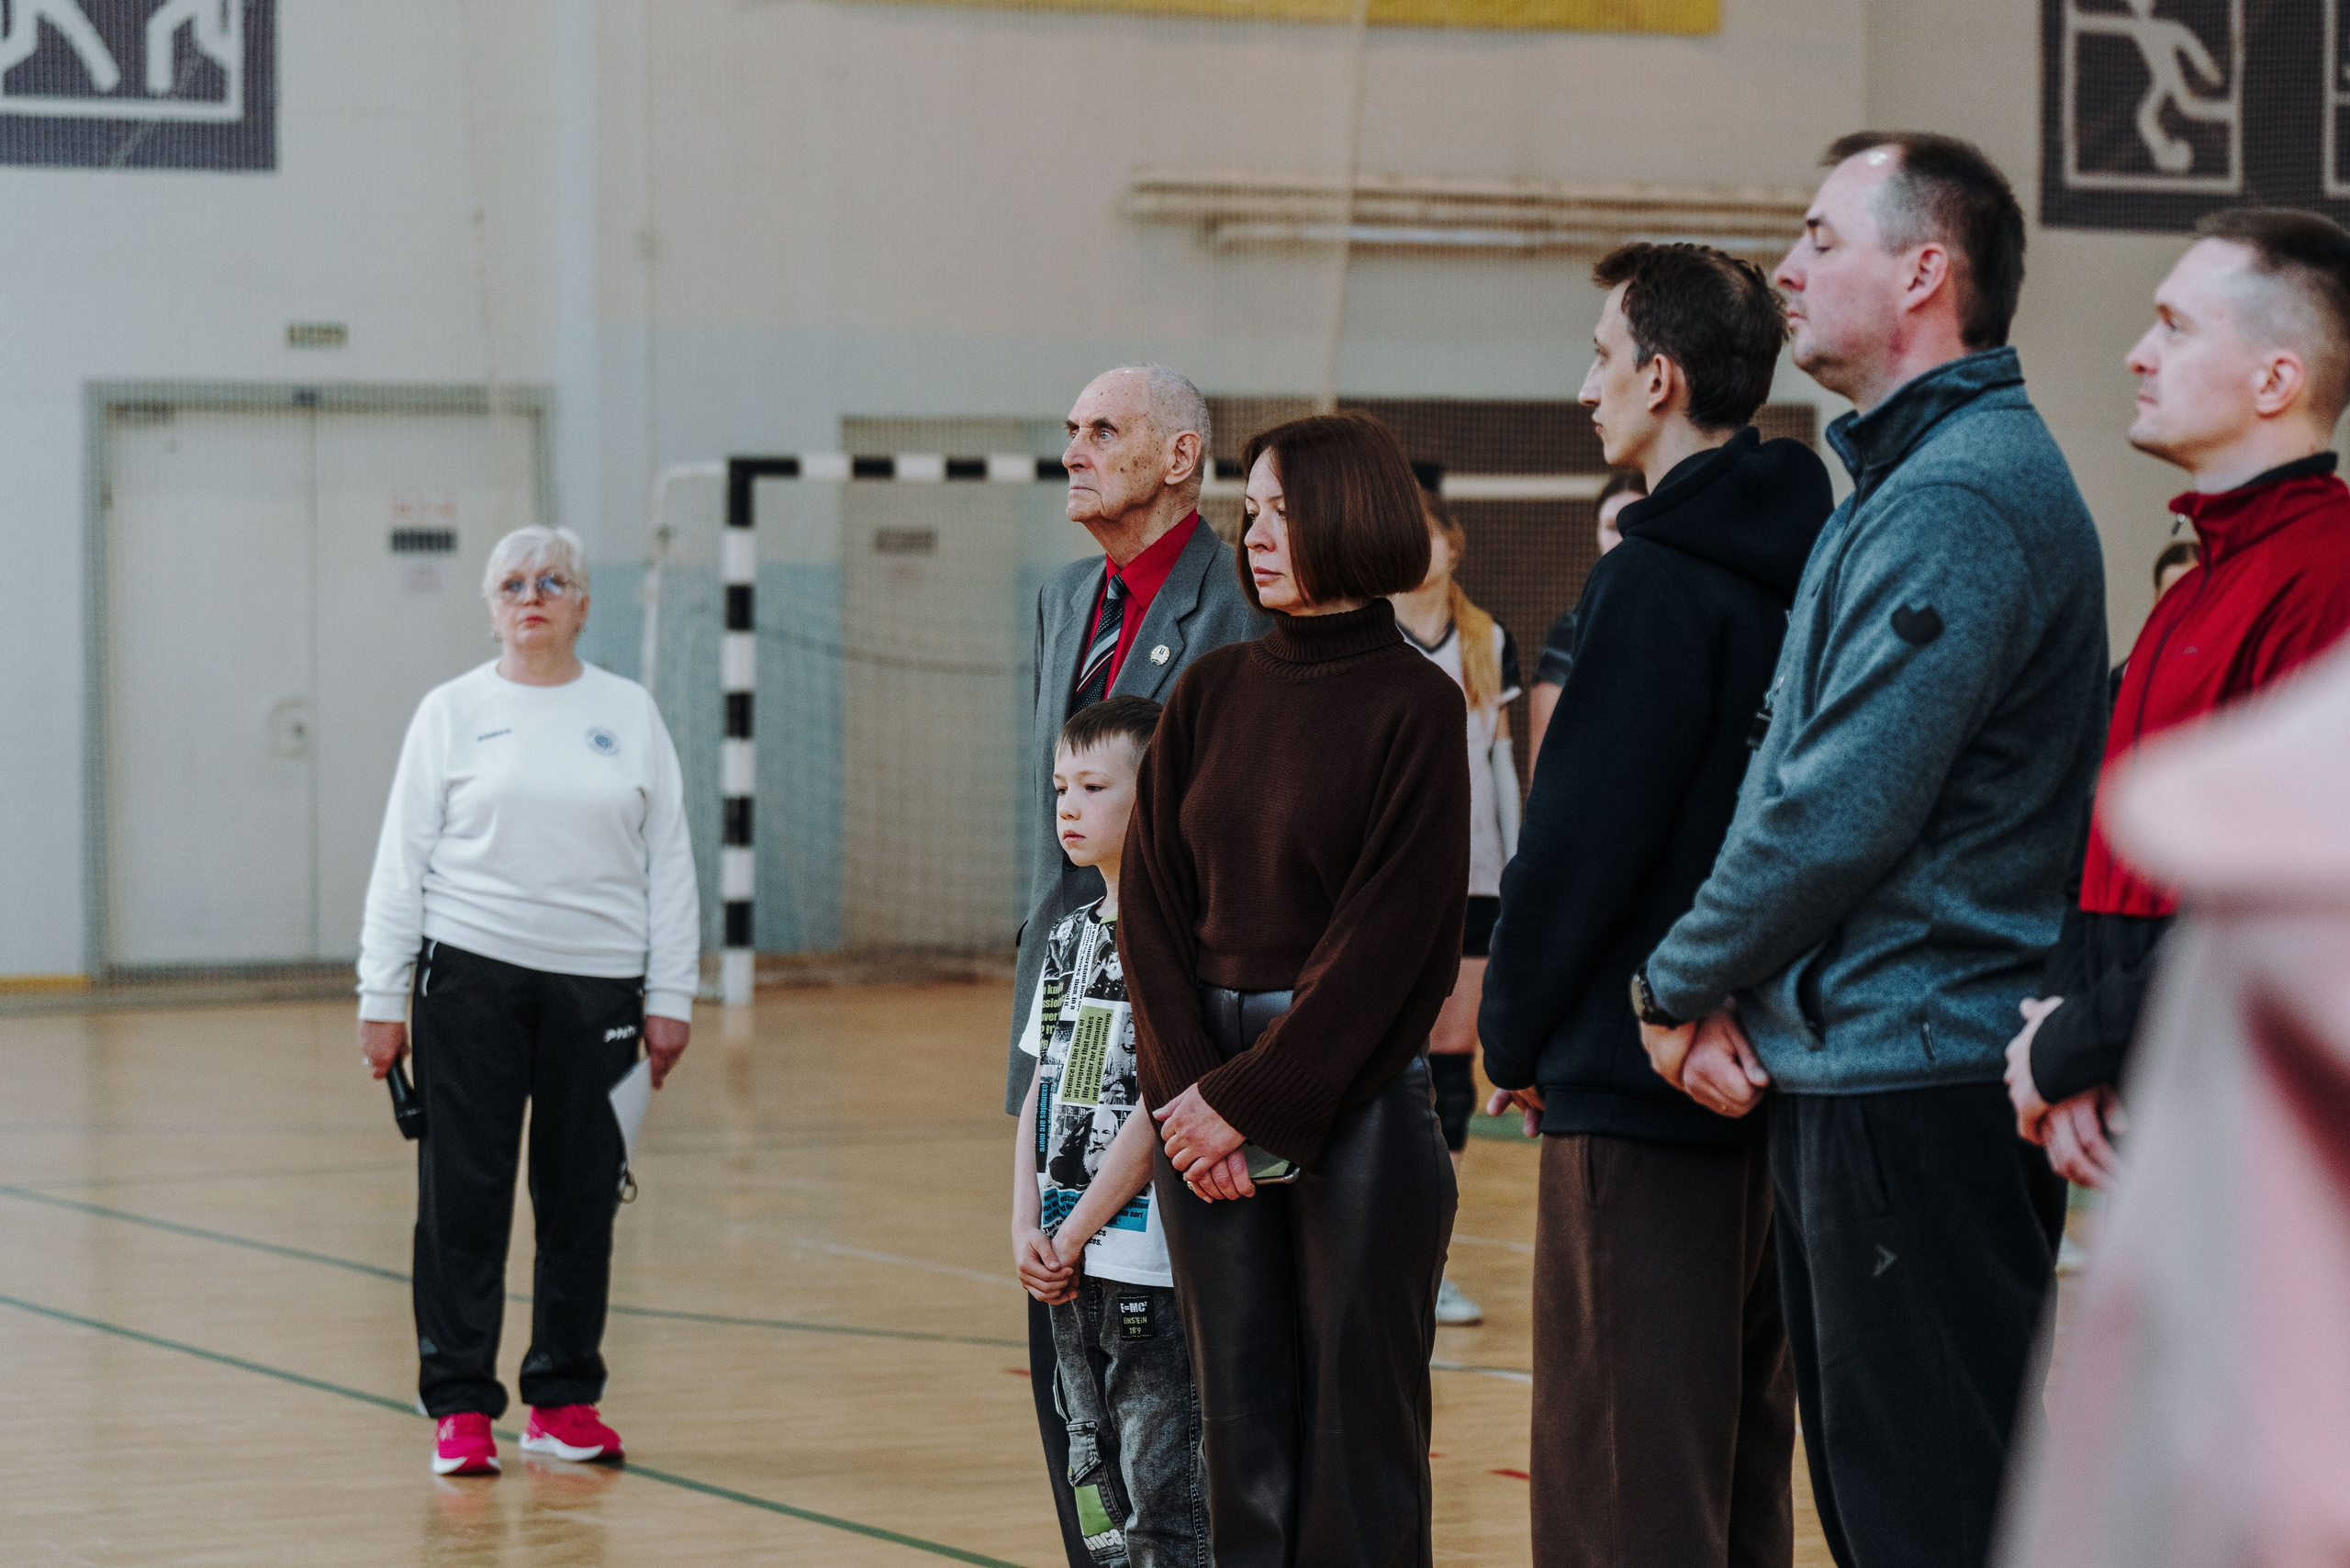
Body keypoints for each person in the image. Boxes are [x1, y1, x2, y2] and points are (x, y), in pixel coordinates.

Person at [1627, 133, 2108, 1568]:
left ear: (1922, 271)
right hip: (1871, 1067)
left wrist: (1673, 982)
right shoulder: (1901, 484)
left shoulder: (1959, 496)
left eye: (1822, 239)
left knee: (1930, 1521)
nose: (1786, 268)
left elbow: (1837, 806)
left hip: (1921, 1077)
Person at [1480, 241, 1831, 1568]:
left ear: (1664, 378)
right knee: (1738, 1473)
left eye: (1601, 357)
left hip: (1639, 1082)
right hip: (1776, 1071)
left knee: (1621, 1480)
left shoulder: (1651, 579)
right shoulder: (1819, 564)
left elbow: (1581, 845)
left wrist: (1512, 1037)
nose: (1586, 390)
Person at [1120, 410, 1468, 1568]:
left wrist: (1250, 1102)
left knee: (1356, 1431)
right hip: (1200, 1099)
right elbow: (1152, 911)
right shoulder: (1213, 693)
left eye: (1279, 511)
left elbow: (1385, 943)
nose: (1252, 535)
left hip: (1354, 1103)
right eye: (1251, 511)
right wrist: (1191, 1106)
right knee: (1241, 1428)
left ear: (1348, 515)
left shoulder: (1415, 705)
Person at [2005, 208, 2350, 1192]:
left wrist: (2071, 1048)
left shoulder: (2328, 581)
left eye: (2175, 326)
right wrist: (2062, 1041)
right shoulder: (2193, 582)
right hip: (2151, 1090)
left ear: (2276, 380)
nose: (2136, 354)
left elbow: (2270, 907)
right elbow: (2104, 844)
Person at [355, 524, 698, 1478]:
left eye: (554, 580)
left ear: (584, 602)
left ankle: (563, 1397)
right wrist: (382, 996)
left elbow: (669, 861)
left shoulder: (627, 712)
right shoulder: (451, 711)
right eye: (512, 582)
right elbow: (400, 863)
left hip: (604, 990)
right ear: (490, 603)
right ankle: (460, 1405)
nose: (532, 594)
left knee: (582, 1198)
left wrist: (669, 993)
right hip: (468, 982)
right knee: (463, 1198)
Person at [1007, 364, 1266, 1565]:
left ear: (1178, 458)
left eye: (1102, 431)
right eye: (1070, 431)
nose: (1075, 450)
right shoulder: (1066, 597)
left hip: (1186, 1037)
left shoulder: (1239, 606)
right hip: (1068, 1011)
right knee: (1073, 1397)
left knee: (1173, 1400)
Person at [1012, 695, 1207, 1568]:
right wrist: (1027, 1224)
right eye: (1060, 785)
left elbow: (1157, 1110)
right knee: (1094, 1484)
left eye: (1094, 786)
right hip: (1065, 1263)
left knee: (1165, 1499)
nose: (1068, 805)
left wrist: (1078, 1228)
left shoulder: (1185, 940)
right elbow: (1043, 1088)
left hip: (1141, 1264)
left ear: (1159, 797)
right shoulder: (1065, 938)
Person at [1388, 488, 1523, 1327]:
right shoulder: (1373, 634)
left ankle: (1431, 1264)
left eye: (1429, 535)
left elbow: (1502, 768)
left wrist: (1516, 875)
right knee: (1393, 1062)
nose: (1421, 550)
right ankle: (1378, 1251)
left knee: (1451, 1071)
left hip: (1477, 883)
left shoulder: (1486, 639)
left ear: (1452, 543)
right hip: (1401, 884)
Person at [1527, 468, 1641, 768]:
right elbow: (1543, 755)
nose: (1622, 537)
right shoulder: (1570, 630)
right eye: (1610, 527)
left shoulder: (1687, 617)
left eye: (1634, 523)